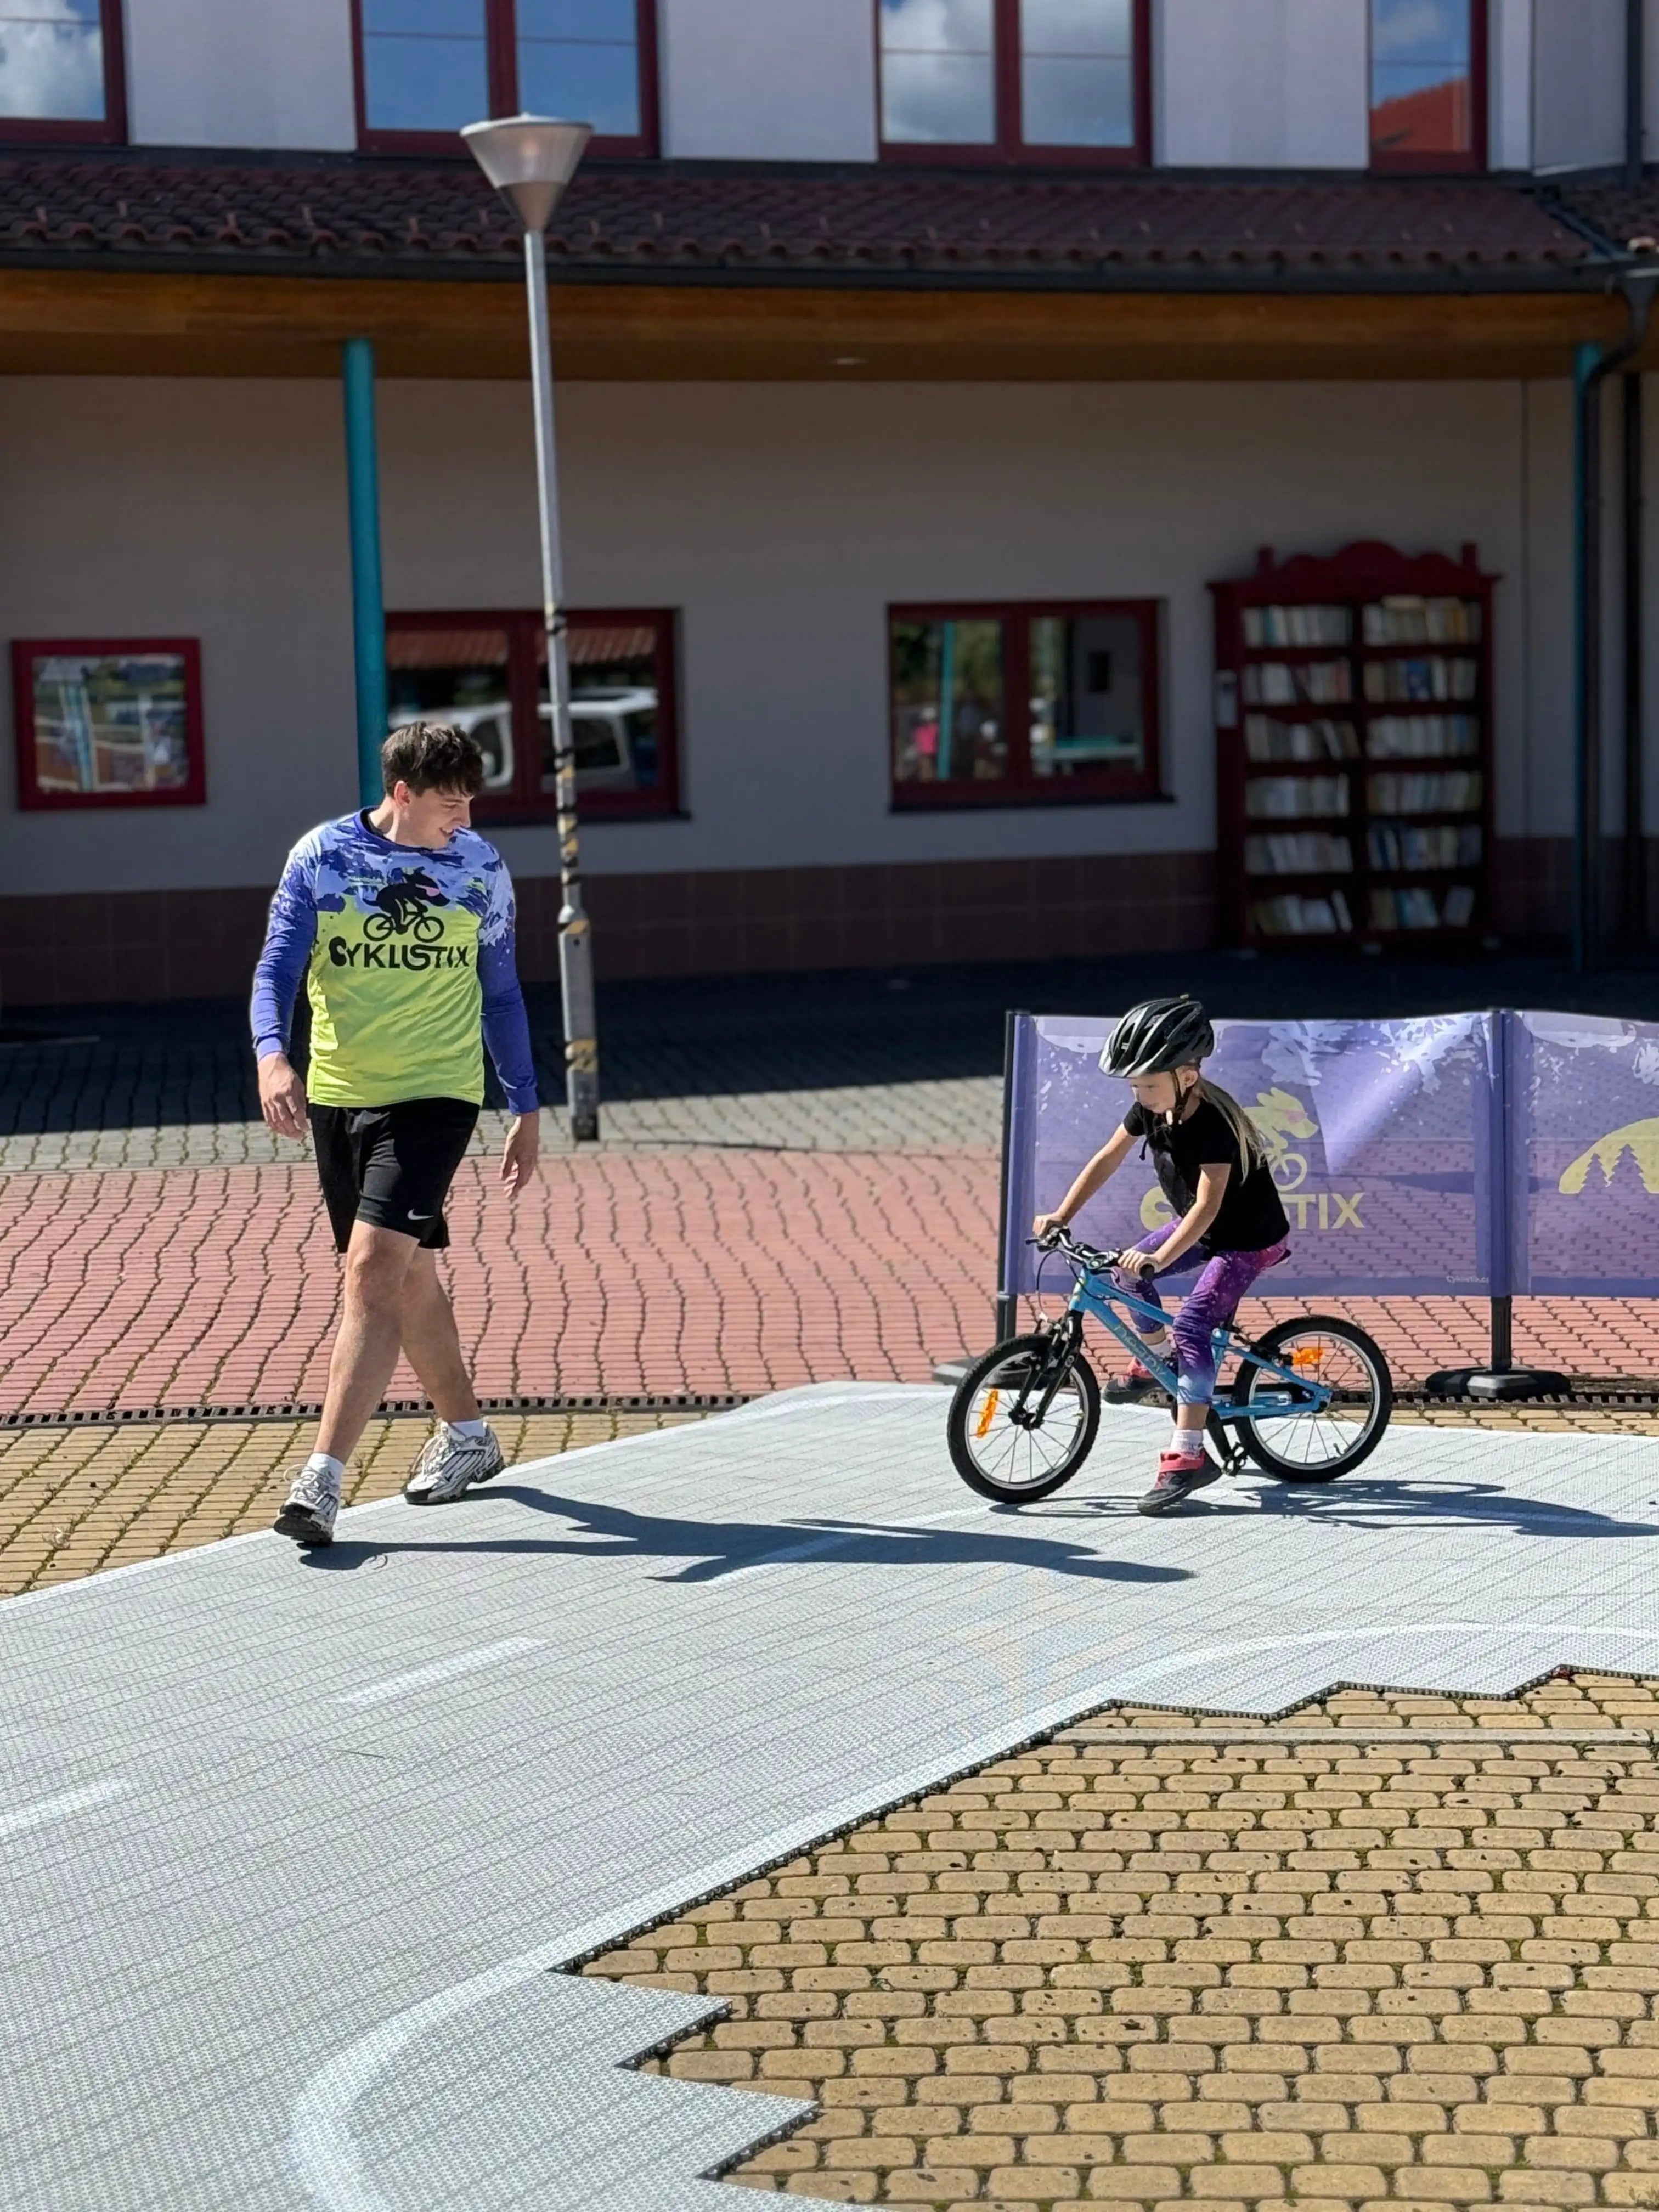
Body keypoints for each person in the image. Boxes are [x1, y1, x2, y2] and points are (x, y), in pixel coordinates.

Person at [250, 720, 541, 1547]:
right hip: (343, 1098)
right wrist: (276, 1059)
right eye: (450, 803)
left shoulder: (479, 868)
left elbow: (503, 992)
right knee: (408, 1281)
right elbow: (276, 969)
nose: (466, 817)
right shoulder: (322, 857)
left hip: (438, 1098)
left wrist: (524, 1105)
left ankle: (322, 1482)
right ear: (402, 793)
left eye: (472, 801)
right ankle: (469, 1437)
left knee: (372, 1273)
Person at [1033, 996, 1290, 1517]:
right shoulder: (1154, 1108)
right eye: (1135, 1086)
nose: (1141, 1094)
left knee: (1193, 1325)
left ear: (1188, 1075)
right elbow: (1107, 1159)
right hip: (1204, 1228)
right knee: (1123, 1276)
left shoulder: (1214, 1124)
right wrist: (1061, 1214)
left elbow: (1207, 1204)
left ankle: (1188, 1457)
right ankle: (1157, 1363)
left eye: (1149, 1084)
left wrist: (1159, 1257)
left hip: (1247, 1238)